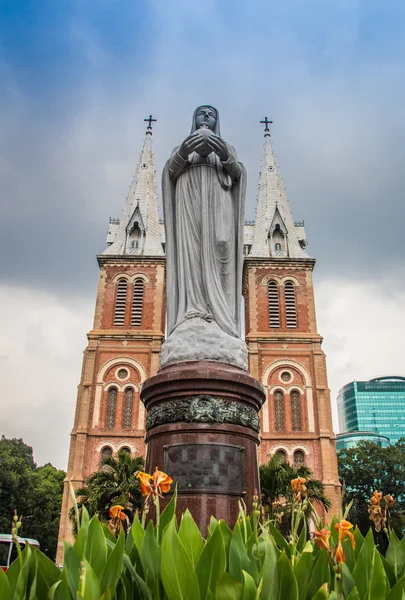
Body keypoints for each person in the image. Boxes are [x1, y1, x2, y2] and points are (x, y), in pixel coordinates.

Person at [162, 106, 246, 342]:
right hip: (189, 203)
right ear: (194, 119)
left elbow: (238, 174)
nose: (207, 116)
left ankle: (222, 317)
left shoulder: (227, 148)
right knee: (192, 255)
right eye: (202, 113)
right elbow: (170, 171)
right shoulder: (181, 149)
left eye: (212, 114)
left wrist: (225, 155)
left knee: (222, 245)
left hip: (219, 202)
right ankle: (194, 311)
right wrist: (185, 150)